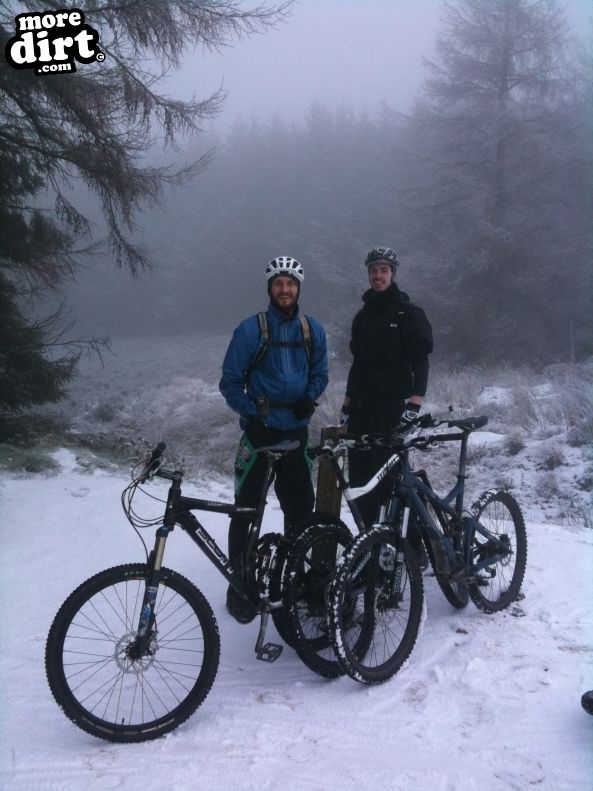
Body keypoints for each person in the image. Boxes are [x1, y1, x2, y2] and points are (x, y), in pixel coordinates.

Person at [220, 256, 328, 617]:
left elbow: (320, 372)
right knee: (246, 510)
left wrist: (309, 399)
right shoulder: (251, 330)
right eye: (279, 283)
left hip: (295, 432)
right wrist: (250, 414)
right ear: (270, 288)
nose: (285, 289)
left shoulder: (313, 330)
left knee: (300, 509)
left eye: (291, 283)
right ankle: (240, 585)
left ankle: (292, 576)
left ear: (299, 288)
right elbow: (230, 381)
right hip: (260, 433)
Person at [340, 246, 433, 529]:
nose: (377, 275)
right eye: (373, 270)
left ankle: (409, 546)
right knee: (359, 481)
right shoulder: (362, 317)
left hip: (392, 410)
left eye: (383, 270)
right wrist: (346, 403)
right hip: (360, 410)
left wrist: (415, 403)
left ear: (393, 274)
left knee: (392, 481)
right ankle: (370, 543)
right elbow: (358, 365)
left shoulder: (409, 313)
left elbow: (420, 360)